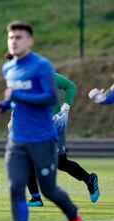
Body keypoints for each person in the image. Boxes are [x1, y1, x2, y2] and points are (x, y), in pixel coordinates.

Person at [0, 21, 84, 221]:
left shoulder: (42, 66)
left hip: (42, 138)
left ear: (30, 41)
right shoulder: (9, 68)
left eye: (19, 37)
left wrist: (16, 97)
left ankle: (74, 218)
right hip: (17, 140)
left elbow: (50, 97)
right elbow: (15, 101)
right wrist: (2, 106)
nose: (14, 41)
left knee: (49, 191)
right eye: (11, 37)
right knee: (16, 190)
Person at [26, 73, 100, 207]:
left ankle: (90, 180)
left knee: (61, 162)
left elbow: (70, 86)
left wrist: (65, 110)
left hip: (54, 126)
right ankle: (35, 197)